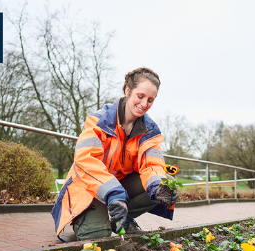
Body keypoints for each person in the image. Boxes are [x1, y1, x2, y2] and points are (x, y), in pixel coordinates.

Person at [52, 67, 179, 241]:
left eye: (150, 100)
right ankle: (90, 218)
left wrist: (159, 188)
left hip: (119, 187)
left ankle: (122, 216)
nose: (144, 104)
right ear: (128, 90)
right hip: (90, 186)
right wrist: (114, 194)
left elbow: (152, 165)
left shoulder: (149, 132)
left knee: (165, 184)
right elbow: (85, 161)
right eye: (140, 96)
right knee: (97, 236)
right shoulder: (98, 122)